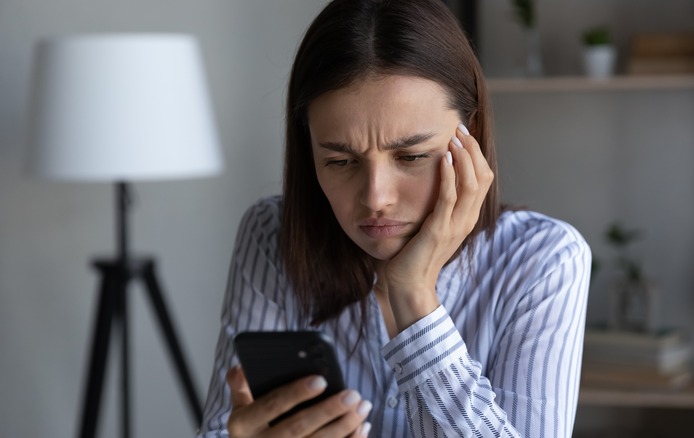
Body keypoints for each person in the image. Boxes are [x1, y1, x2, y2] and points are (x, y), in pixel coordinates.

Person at [197, 0, 591, 436]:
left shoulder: (543, 261)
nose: (376, 198)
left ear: (471, 137)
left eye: (412, 156)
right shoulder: (270, 237)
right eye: (341, 161)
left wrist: (414, 294)